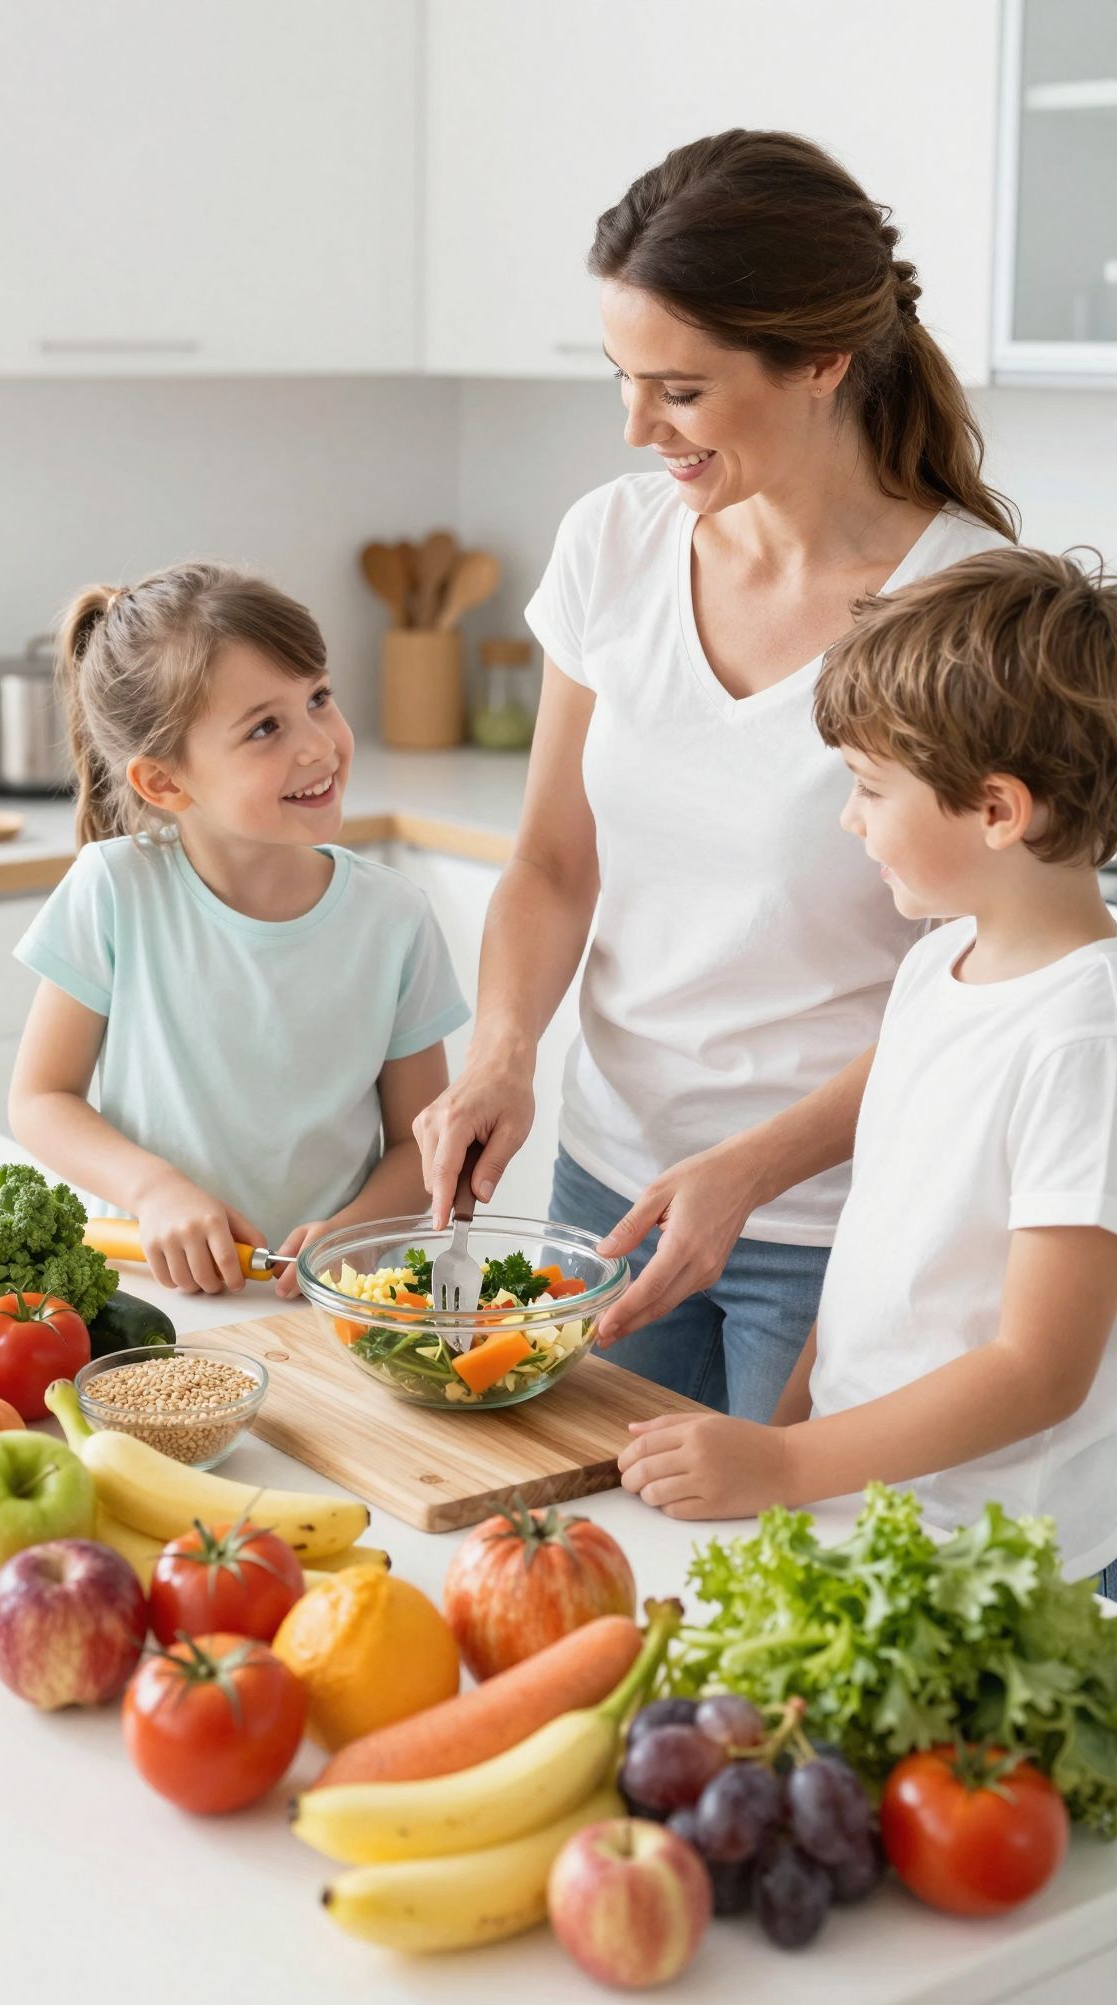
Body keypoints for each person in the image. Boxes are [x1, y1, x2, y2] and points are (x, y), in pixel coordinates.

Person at [413, 127, 1016, 1420]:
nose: (638, 428)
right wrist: (502, 1054)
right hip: (608, 1193)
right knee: (591, 1535)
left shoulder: (962, 611)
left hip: (836, 1224)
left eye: (679, 391)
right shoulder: (613, 544)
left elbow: (978, 991)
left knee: (779, 1547)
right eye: (623, 380)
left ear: (821, 362)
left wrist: (753, 1168)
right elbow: (552, 862)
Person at [619, 547, 1117, 1590]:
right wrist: (789, 1427)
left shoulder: (1085, 1037)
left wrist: (787, 1463)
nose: (851, 819)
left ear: (997, 810)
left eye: (871, 787)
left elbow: (1041, 1369)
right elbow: (879, 1245)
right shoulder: (942, 961)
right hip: (863, 1510)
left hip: (995, 1562)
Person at [8, 564, 468, 1297]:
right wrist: (156, 1190)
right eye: (264, 728)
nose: (318, 745)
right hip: (154, 1299)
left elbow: (422, 1145)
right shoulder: (115, 890)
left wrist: (354, 1232)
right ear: (164, 782)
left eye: (318, 698)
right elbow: (41, 1100)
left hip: (324, 1307)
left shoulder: (393, 917)